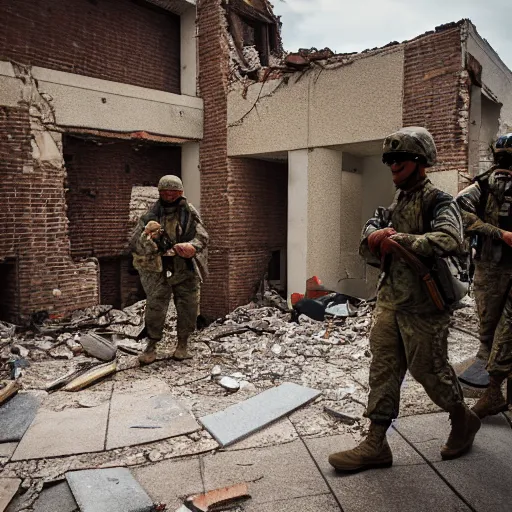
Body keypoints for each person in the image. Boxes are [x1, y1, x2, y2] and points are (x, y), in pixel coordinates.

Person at [328, 127, 480, 472]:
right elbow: (366, 237)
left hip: (425, 306)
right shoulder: (396, 204)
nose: (393, 165)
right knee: (383, 369)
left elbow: (449, 239)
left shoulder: (439, 201)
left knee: (429, 371)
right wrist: (376, 237)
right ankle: (376, 443)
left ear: (420, 161)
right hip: (390, 302)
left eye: (400, 159)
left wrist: (399, 240)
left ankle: (463, 419)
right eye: (389, 160)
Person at [456, 133, 512, 418]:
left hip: (498, 269)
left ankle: (494, 392)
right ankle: (495, 391)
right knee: (489, 331)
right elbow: (458, 210)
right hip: (491, 267)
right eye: (502, 157)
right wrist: (498, 233)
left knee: (507, 329)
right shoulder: (484, 185)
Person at [130, 175, 208, 364]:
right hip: (158, 269)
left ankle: (183, 345)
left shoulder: (189, 212)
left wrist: (192, 247)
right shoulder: (150, 215)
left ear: (180, 193)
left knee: (188, 306)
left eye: (173, 192)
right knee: (155, 307)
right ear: (160, 193)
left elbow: (202, 236)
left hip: (184, 267)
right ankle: (151, 346)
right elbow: (135, 243)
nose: (169, 196)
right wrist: (148, 238)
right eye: (165, 192)